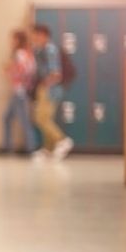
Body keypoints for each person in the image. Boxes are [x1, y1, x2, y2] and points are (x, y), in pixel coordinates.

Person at [31, 24, 74, 160]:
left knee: (41, 118)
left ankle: (62, 140)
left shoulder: (50, 50)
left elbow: (56, 74)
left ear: (44, 35)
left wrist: (45, 85)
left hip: (50, 89)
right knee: (45, 119)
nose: (34, 38)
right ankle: (48, 149)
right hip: (44, 88)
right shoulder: (39, 50)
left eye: (36, 35)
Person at [2, 30, 37, 154]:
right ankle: (7, 147)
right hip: (20, 90)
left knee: (23, 120)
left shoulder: (20, 53)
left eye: (13, 39)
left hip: (20, 91)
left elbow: (24, 70)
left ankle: (30, 148)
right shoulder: (27, 53)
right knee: (7, 118)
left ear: (18, 40)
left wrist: (9, 70)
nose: (11, 42)